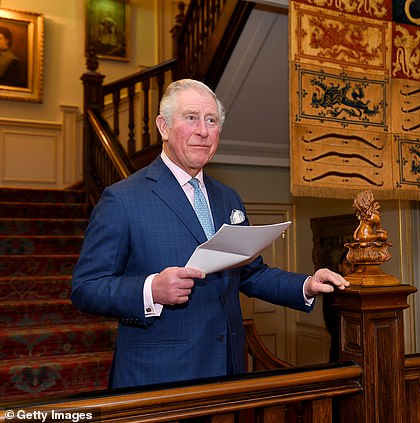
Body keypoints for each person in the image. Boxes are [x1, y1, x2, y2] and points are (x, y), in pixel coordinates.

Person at [71, 78, 350, 389]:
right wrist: (151, 290)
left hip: (227, 373)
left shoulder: (228, 198)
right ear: (163, 127)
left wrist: (307, 285)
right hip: (158, 381)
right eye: (191, 118)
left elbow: (250, 274)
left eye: (211, 120)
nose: (202, 131)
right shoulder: (122, 199)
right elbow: (86, 288)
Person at [322, 250, 357, 362]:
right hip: (339, 346)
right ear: (340, 267)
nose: (352, 269)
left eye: (355, 266)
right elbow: (331, 325)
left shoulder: (362, 289)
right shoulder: (331, 290)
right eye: (347, 265)